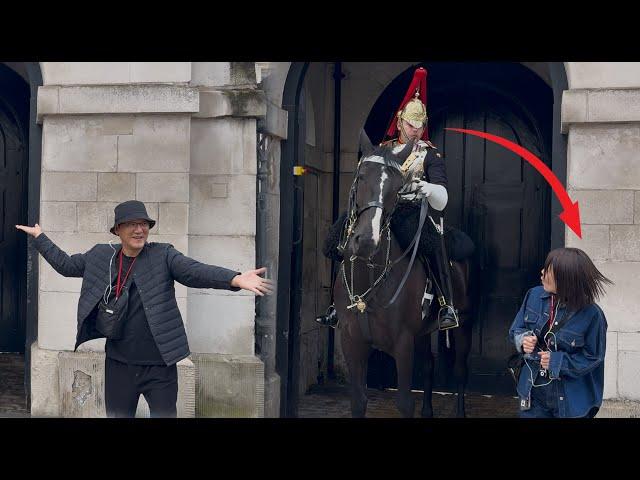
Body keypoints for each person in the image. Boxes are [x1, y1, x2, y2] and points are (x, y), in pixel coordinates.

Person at [16, 200, 273, 418]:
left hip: (160, 365)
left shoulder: (163, 255)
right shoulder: (101, 256)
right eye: (132, 224)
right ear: (118, 229)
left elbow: (194, 271)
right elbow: (67, 266)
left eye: (144, 224)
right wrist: (41, 238)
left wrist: (234, 279)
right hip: (119, 364)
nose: (140, 230)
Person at [316, 67, 473, 329]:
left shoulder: (429, 155)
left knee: (434, 246)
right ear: (400, 122)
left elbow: (442, 196)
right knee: (340, 240)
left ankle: (446, 306)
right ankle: (337, 304)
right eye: (411, 124)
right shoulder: (381, 150)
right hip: (377, 208)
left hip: (409, 212)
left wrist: (429, 189)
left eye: (420, 125)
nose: (416, 130)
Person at [508, 247, 612, 418]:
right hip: (533, 393)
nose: (542, 272)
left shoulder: (593, 315)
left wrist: (558, 361)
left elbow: (594, 357)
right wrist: (523, 339)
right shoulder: (533, 295)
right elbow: (515, 329)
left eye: (548, 270)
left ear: (566, 278)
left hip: (571, 400)